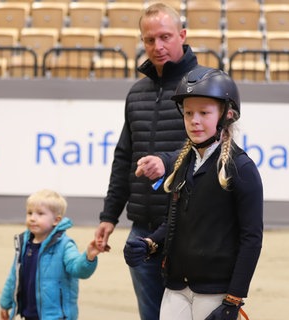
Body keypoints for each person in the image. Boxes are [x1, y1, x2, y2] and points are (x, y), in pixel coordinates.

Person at [124, 68, 264, 320]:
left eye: (204, 113)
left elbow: (251, 238)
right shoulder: (183, 162)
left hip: (215, 292)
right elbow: (174, 221)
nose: (194, 120)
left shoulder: (241, 168)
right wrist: (150, 244)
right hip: (175, 286)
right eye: (188, 113)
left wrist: (233, 300)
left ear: (227, 114)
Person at [93, 2, 201, 319]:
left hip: (191, 229)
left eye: (165, 37)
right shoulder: (136, 92)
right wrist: (109, 216)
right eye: (149, 40)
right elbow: (124, 158)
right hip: (142, 229)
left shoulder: (206, 86)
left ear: (182, 35)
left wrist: (167, 162)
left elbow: (213, 150)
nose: (158, 46)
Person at [0, 189, 103, 320]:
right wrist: (5, 303)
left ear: (56, 220)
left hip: (57, 316)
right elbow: (14, 276)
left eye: (40, 214)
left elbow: (78, 269)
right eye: (29, 213)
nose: (32, 218)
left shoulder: (65, 245)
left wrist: (89, 257)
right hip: (29, 315)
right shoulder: (24, 243)